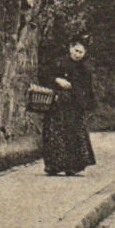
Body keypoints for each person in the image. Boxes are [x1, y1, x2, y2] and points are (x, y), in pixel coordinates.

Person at [41, 39, 96, 176]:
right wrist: (56, 80)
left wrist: (86, 102)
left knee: (74, 134)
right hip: (58, 104)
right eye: (76, 51)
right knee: (55, 133)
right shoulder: (59, 62)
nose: (78, 55)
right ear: (70, 48)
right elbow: (45, 75)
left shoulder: (85, 68)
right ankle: (54, 165)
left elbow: (87, 88)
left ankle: (73, 166)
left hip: (75, 105)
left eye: (81, 52)